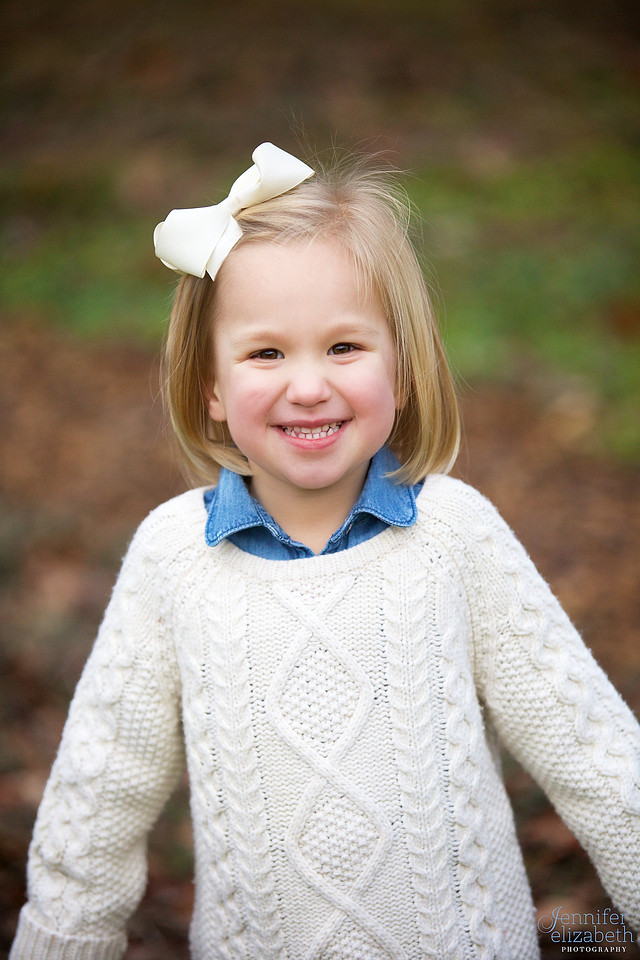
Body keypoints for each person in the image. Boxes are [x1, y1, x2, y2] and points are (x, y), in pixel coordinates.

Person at [10, 143, 640, 960]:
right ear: (209, 383)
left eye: (344, 347)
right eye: (266, 353)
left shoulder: (454, 535)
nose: (308, 384)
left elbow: (598, 761)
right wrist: (61, 940)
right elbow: (96, 802)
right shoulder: (174, 558)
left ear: (403, 368)